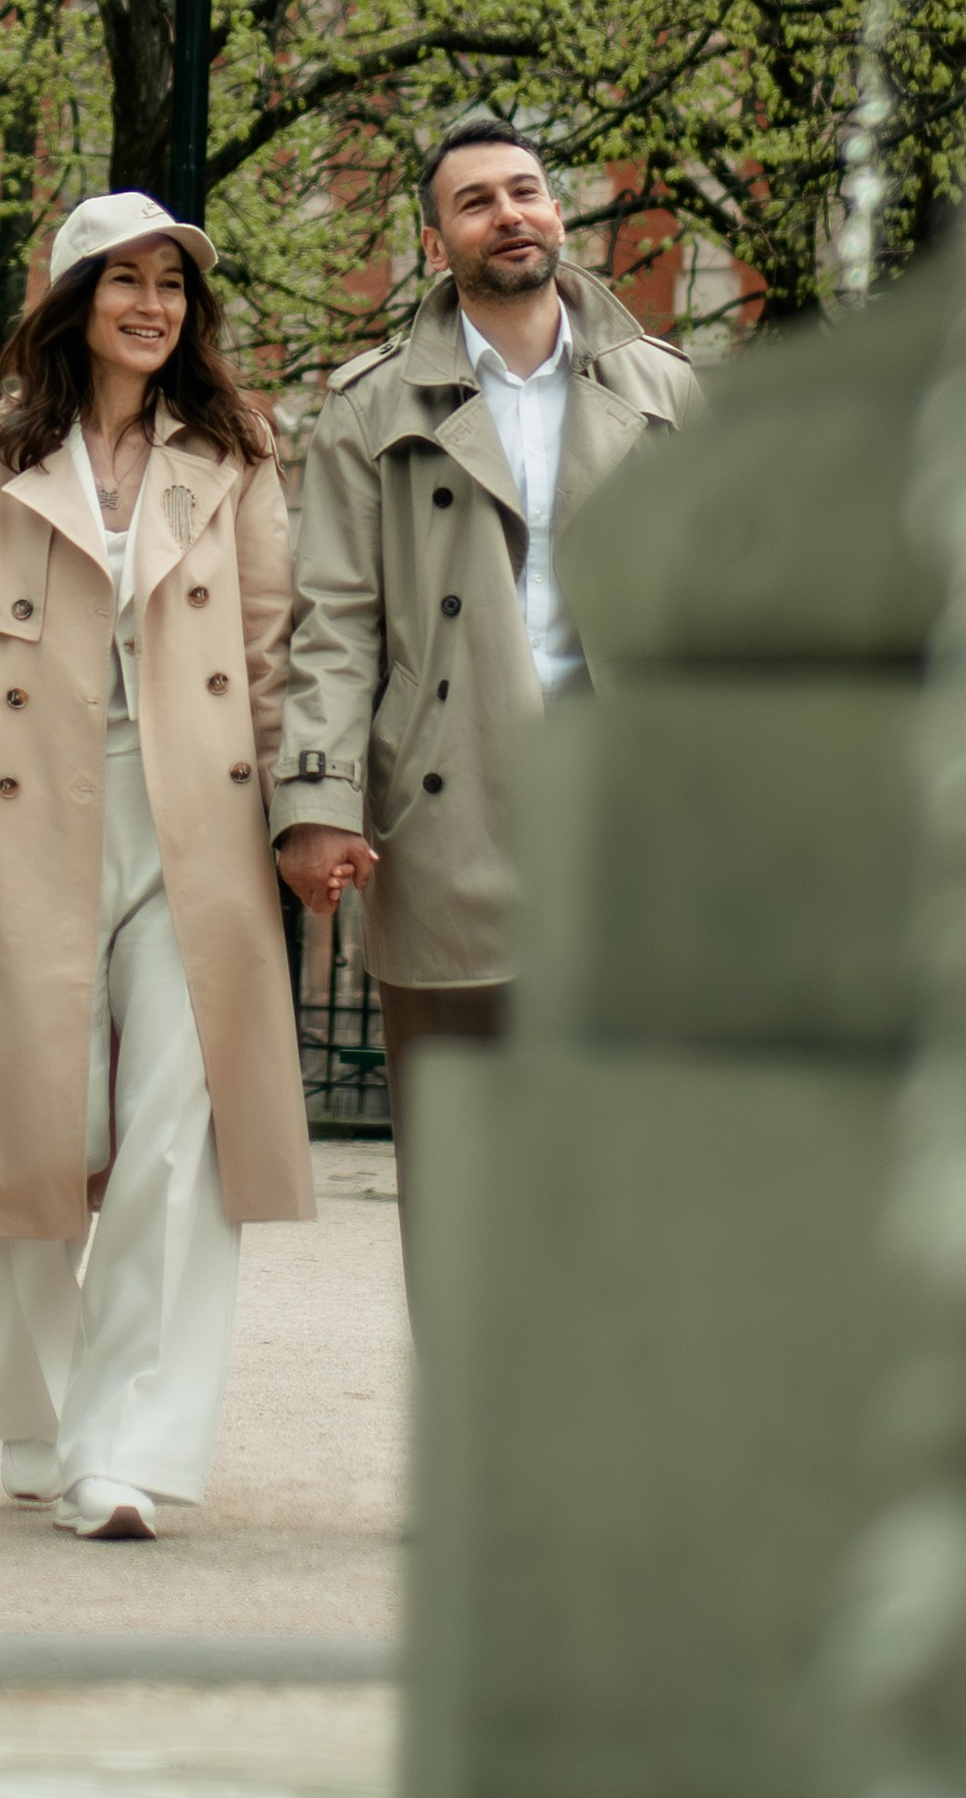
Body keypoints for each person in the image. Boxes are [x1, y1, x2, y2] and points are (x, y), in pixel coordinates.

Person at [0, 191, 313, 1542]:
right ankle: (38, 1402)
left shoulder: (237, 445)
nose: (152, 303)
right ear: (74, 299)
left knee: (177, 1134)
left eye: (172, 283)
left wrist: (310, 807)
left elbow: (278, 642)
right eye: (124, 279)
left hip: (200, 814)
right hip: (32, 815)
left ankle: (124, 1446)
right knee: (28, 1128)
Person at [271, 107, 702, 1239]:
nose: (509, 214)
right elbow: (330, 621)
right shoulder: (367, 409)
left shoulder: (666, 392)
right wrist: (315, 802)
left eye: (525, 190)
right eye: (475, 201)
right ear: (434, 243)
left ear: (557, 211)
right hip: (447, 815)